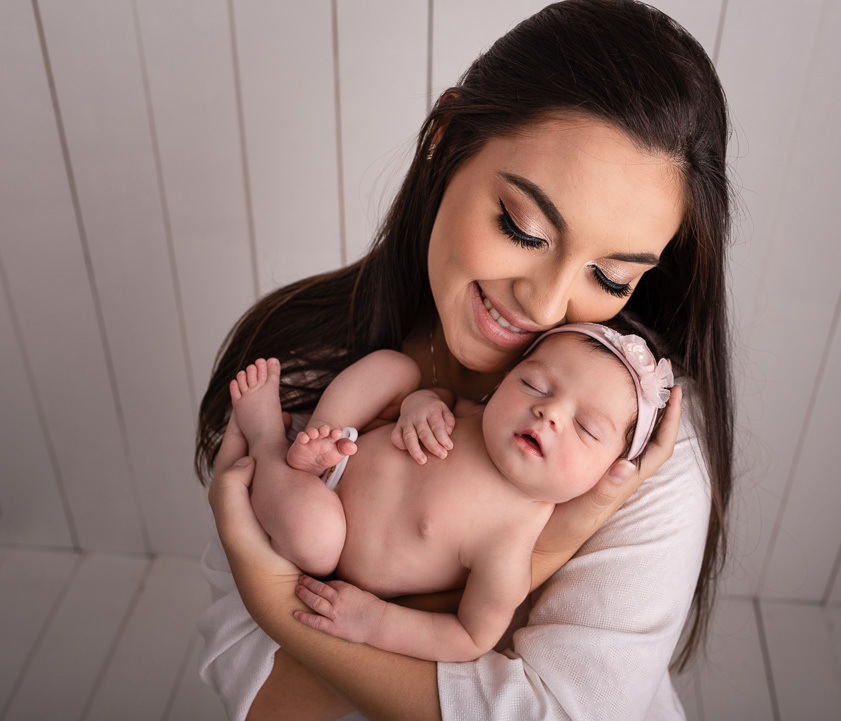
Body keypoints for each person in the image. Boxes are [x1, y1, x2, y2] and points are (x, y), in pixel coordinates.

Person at [197, 0, 735, 718]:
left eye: (611, 277)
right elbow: (254, 680)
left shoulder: (639, 456)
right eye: (522, 225)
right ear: (446, 141)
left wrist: (275, 602)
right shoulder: (311, 351)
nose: (545, 308)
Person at [225, 323, 674, 663]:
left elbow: (469, 637)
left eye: (585, 428)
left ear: (607, 474)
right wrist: (421, 403)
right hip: (345, 447)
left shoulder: (508, 545)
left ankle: (266, 437)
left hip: (333, 531)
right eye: (533, 384)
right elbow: (431, 393)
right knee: (397, 369)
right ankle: (320, 437)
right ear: (507, 379)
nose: (550, 411)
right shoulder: (477, 416)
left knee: (314, 538)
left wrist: (374, 622)